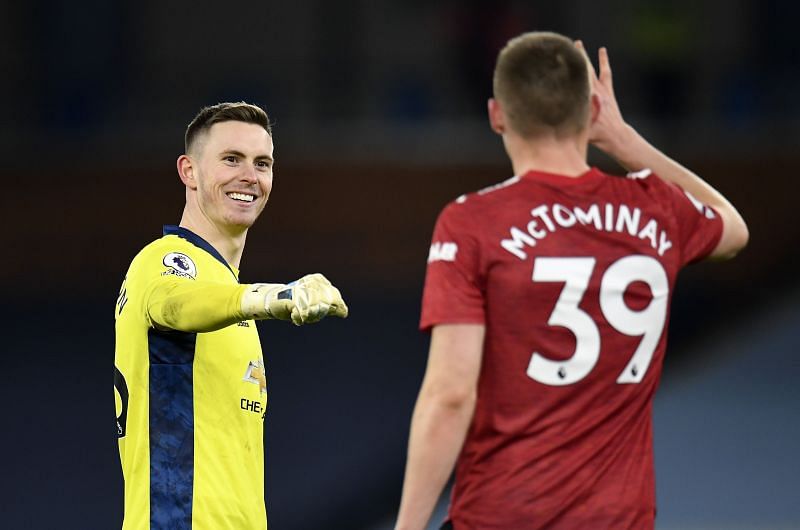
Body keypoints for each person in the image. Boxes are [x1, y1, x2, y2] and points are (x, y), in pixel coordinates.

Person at [395, 32, 748, 530]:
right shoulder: (657, 208)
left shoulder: (473, 222)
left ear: (497, 114)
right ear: (590, 112)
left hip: (504, 515)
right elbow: (732, 227)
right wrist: (624, 140)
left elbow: (451, 394)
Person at [113, 102, 348, 530]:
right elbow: (178, 302)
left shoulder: (229, 295)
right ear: (189, 171)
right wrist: (270, 298)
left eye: (262, 163)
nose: (250, 176)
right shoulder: (164, 260)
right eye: (231, 159)